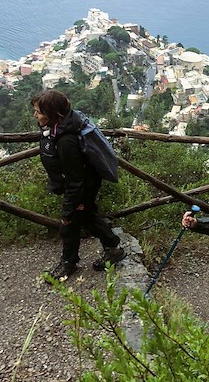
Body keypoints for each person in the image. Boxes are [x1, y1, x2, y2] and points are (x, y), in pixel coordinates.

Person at [31, 89, 126, 280]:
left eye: (39, 112)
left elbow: (76, 178)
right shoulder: (60, 128)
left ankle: (69, 262)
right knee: (87, 216)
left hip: (80, 187)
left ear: (53, 115)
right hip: (81, 184)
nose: (35, 115)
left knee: (69, 222)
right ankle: (112, 248)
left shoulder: (67, 140)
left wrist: (69, 206)